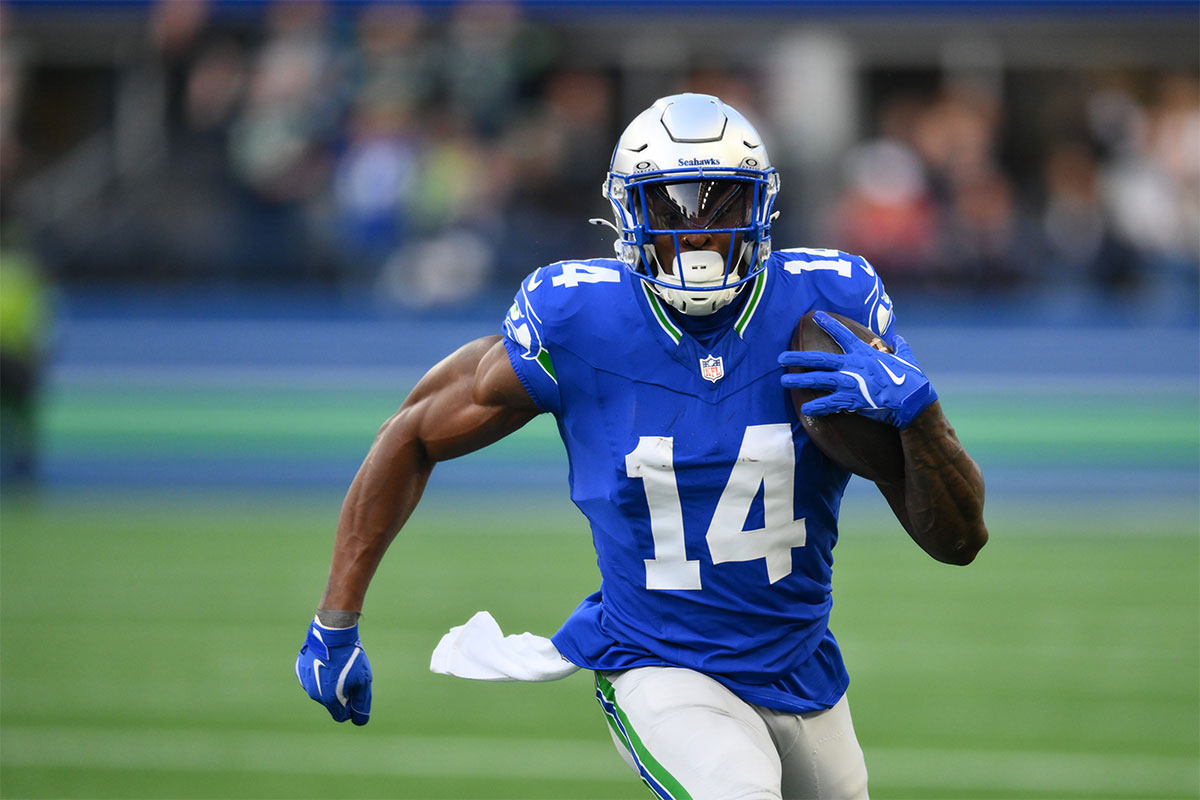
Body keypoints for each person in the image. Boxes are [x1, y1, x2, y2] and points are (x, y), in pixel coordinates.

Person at [295, 93, 989, 800]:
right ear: (629, 214)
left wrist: (921, 416)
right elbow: (414, 431)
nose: (696, 231)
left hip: (800, 666)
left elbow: (959, 541)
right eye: (671, 206)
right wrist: (335, 621)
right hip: (658, 664)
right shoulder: (578, 319)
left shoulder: (828, 309)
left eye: (721, 205)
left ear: (761, 208)